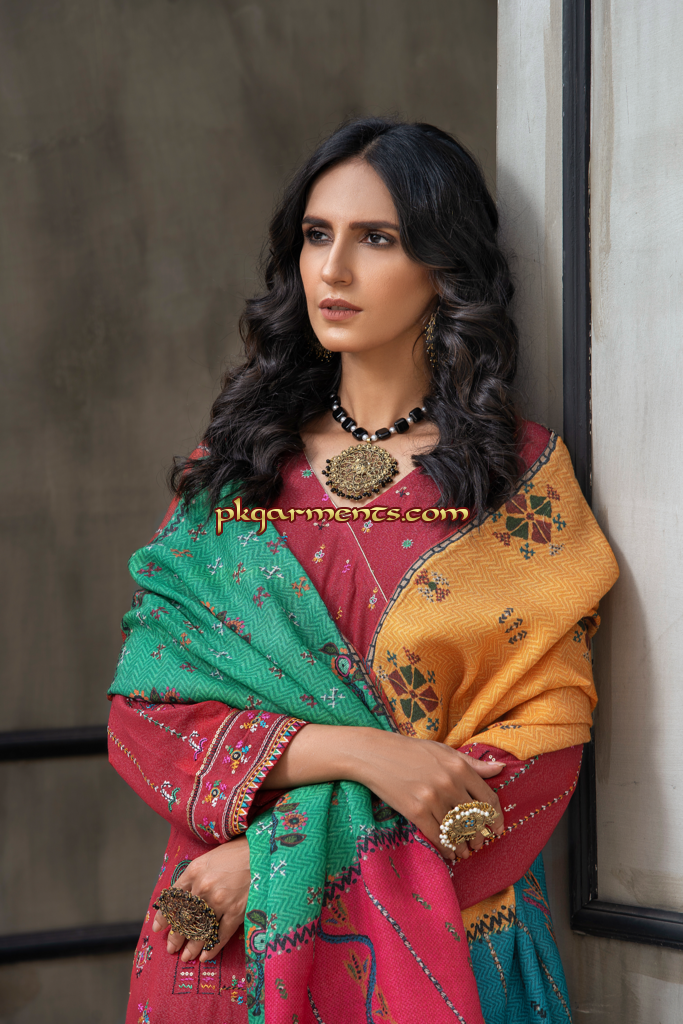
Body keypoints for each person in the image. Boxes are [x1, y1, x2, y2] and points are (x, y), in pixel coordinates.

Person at [108, 118, 618, 1024]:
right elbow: (149, 714)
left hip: (440, 944)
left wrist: (267, 862)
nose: (332, 270)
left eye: (376, 239)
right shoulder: (235, 471)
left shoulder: (519, 482)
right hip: (230, 955)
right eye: (317, 235)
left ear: (443, 268)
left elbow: (533, 755)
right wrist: (361, 752)